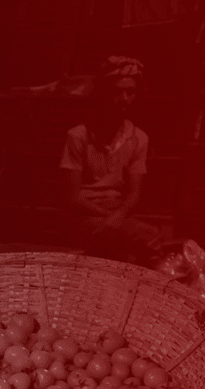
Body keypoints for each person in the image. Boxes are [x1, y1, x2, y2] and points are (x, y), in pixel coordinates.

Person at [60, 56, 164, 266]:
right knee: (136, 239)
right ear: (103, 93)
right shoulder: (78, 136)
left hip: (118, 214)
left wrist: (119, 216)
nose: (124, 98)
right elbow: (72, 197)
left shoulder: (139, 138)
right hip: (84, 216)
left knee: (153, 236)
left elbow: (134, 192)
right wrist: (110, 217)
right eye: (117, 92)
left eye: (130, 92)